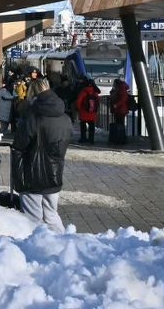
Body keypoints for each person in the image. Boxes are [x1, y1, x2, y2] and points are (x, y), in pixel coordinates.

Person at [11, 78, 72, 232]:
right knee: (52, 215)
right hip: (55, 172)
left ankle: (35, 249)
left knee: (32, 219)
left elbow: (20, 143)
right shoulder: (65, 117)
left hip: (32, 173)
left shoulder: (34, 116)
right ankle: (64, 243)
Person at [75, 78, 101, 144]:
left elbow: (78, 102)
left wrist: (79, 109)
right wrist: (95, 110)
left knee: (83, 126)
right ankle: (91, 139)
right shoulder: (95, 92)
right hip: (92, 112)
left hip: (84, 112)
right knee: (91, 126)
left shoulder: (83, 92)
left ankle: (83, 138)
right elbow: (97, 102)